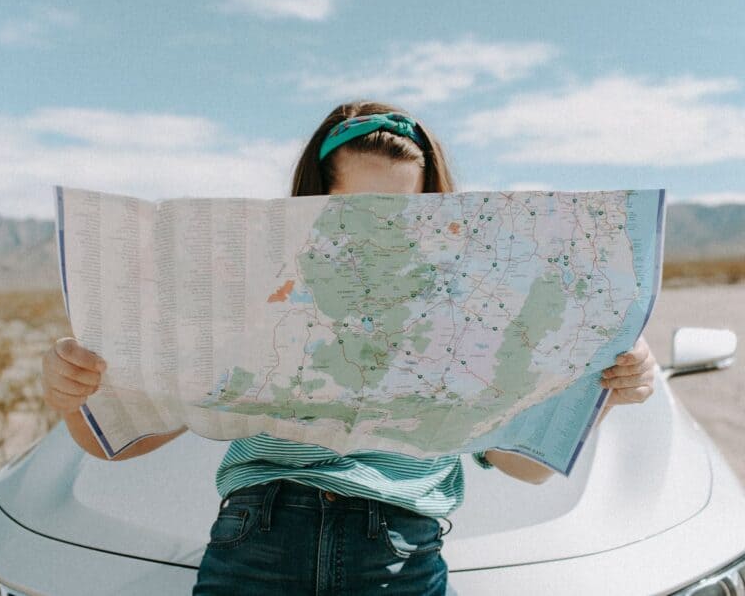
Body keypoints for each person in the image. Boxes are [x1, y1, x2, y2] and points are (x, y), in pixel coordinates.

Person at [40, 100, 658, 595]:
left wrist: (599, 389)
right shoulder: (252, 288)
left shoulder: (475, 305)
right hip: (257, 537)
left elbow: (524, 466)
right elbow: (116, 443)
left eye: (402, 212)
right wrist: (75, 393)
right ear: (313, 203)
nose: (378, 230)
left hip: (400, 553)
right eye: (356, 209)